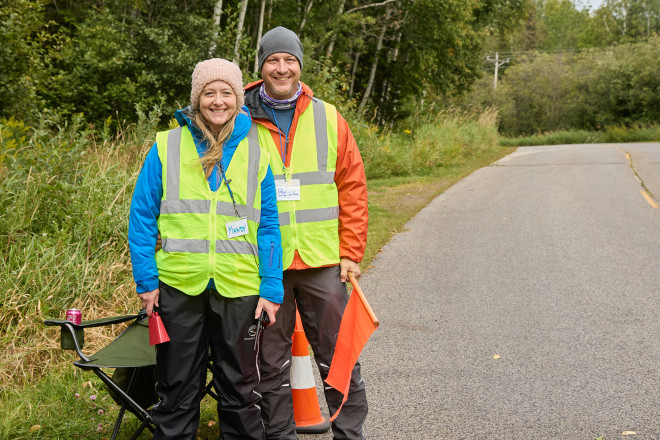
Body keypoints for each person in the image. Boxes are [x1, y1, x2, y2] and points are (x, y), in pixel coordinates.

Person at [128, 58, 283, 440]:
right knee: (177, 389)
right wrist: (147, 281)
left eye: (226, 92)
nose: (218, 101)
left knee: (241, 391)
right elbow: (142, 217)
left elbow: (270, 227)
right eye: (209, 93)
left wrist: (272, 287)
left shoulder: (256, 149)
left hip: (240, 287)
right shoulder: (167, 146)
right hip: (177, 287)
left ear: (238, 99)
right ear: (197, 99)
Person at [245, 27, 369, 440]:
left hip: (323, 262)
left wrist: (351, 251)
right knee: (267, 362)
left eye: (289, 60)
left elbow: (352, 186)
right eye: (273, 60)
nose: (282, 68)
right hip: (263, 265)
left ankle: (350, 434)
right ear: (260, 65)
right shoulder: (237, 117)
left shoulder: (328, 116)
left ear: (300, 65)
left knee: (340, 357)